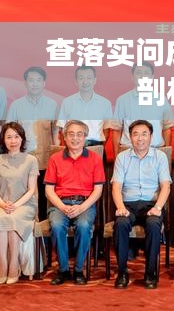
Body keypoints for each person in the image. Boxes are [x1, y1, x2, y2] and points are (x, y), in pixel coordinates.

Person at [112, 120, 171, 289]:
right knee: (121, 224)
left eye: (144, 134)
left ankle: (150, 273)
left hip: (151, 205)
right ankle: (122, 272)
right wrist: (120, 207)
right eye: (135, 134)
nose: (140, 138)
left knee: (153, 225)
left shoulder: (160, 157)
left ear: (151, 136)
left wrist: (158, 208)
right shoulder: (122, 157)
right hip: (128, 205)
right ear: (130, 137)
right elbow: (116, 187)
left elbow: (166, 186)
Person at [44, 120, 105, 285]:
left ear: (85, 137)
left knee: (84, 226)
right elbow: (49, 190)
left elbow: (98, 190)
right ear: (64, 137)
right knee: (57, 226)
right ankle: (63, 270)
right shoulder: (55, 159)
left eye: (79, 134)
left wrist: (81, 207)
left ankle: (78, 270)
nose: (75, 138)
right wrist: (62, 206)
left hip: (84, 203)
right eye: (71, 134)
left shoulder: (95, 159)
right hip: (60, 203)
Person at [7, 66, 58, 219]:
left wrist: (57, 155)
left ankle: (43, 227)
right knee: (25, 194)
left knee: (44, 194)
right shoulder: (16, 105)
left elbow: (55, 132)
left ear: (44, 83)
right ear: (25, 83)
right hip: (23, 159)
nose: (35, 84)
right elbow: (9, 132)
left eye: (38, 80)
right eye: (31, 80)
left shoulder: (52, 105)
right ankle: (27, 226)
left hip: (46, 159)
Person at [0, 122, 38, 284]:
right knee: (2, 218)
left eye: (16, 137)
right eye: (9, 137)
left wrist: (15, 205)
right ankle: (3, 266)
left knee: (13, 218)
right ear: (3, 140)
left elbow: (31, 190)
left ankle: (14, 266)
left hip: (25, 205)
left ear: (22, 139)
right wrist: (3, 204)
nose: (13, 141)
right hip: (3, 204)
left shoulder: (31, 160)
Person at [112, 62, 174, 155]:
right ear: (132, 76)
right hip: (128, 151)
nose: (142, 76)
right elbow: (117, 130)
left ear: (152, 77)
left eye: (146, 73)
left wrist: (166, 154)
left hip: (155, 151)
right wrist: (116, 157)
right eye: (139, 73)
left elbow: (167, 129)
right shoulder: (122, 100)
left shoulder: (161, 99)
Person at [56, 65, 113, 147]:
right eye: (81, 78)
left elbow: (106, 129)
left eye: (89, 78)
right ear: (76, 81)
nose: (85, 81)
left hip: (96, 145)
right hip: (73, 145)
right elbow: (62, 128)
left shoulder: (105, 103)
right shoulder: (67, 102)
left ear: (95, 80)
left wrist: (98, 146)